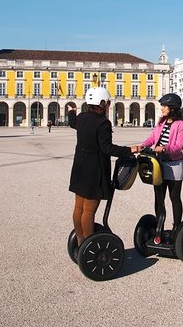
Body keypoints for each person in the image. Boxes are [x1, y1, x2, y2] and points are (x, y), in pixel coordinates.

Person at [68, 87, 140, 249]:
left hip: (79, 169)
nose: (108, 105)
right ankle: (89, 245)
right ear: (101, 103)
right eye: (107, 103)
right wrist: (130, 150)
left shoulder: (82, 118)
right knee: (89, 211)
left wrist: (71, 111)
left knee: (79, 207)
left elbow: (72, 122)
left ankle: (80, 241)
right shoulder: (103, 123)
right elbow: (107, 148)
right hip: (94, 171)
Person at [140, 93, 183, 233]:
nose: (162, 108)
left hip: (174, 165)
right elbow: (152, 137)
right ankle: (159, 227)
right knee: (159, 197)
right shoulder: (161, 122)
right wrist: (143, 146)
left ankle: (177, 228)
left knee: (174, 197)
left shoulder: (181, 125)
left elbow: (179, 146)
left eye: (164, 106)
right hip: (159, 164)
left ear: (172, 108)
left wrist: (165, 148)